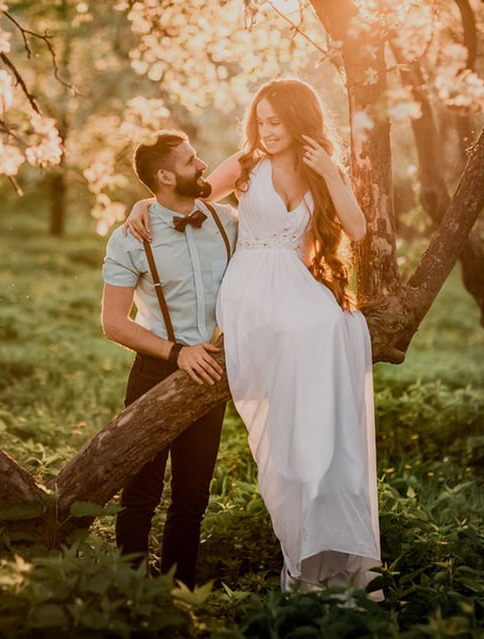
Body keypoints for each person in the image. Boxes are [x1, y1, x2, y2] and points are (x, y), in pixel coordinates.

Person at [123, 78, 382, 597]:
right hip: (250, 288)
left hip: (296, 283)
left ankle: (318, 485)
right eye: (260, 121)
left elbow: (356, 229)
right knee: (302, 327)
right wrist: (142, 205)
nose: (265, 131)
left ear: (299, 120)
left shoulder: (317, 170)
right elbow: (189, 193)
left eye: (275, 122)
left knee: (333, 325)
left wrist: (332, 172)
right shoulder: (245, 165)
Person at [101, 130, 238, 588]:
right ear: (163, 176)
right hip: (156, 369)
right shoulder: (131, 238)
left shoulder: (228, 222)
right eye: (191, 160)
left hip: (212, 373)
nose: (203, 166)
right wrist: (177, 354)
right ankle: (132, 592)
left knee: (192, 497)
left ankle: (181, 593)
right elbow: (114, 323)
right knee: (139, 494)